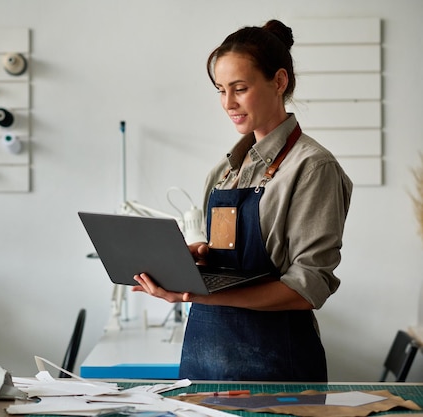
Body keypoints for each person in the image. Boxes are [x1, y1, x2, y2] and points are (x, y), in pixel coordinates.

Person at [132, 20, 353, 382]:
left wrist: (197, 296)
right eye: (220, 90)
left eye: (240, 88)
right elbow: (229, 259)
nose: (228, 103)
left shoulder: (313, 167)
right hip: (203, 364)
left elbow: (307, 287)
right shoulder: (225, 169)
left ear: (279, 81)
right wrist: (198, 257)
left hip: (277, 368)